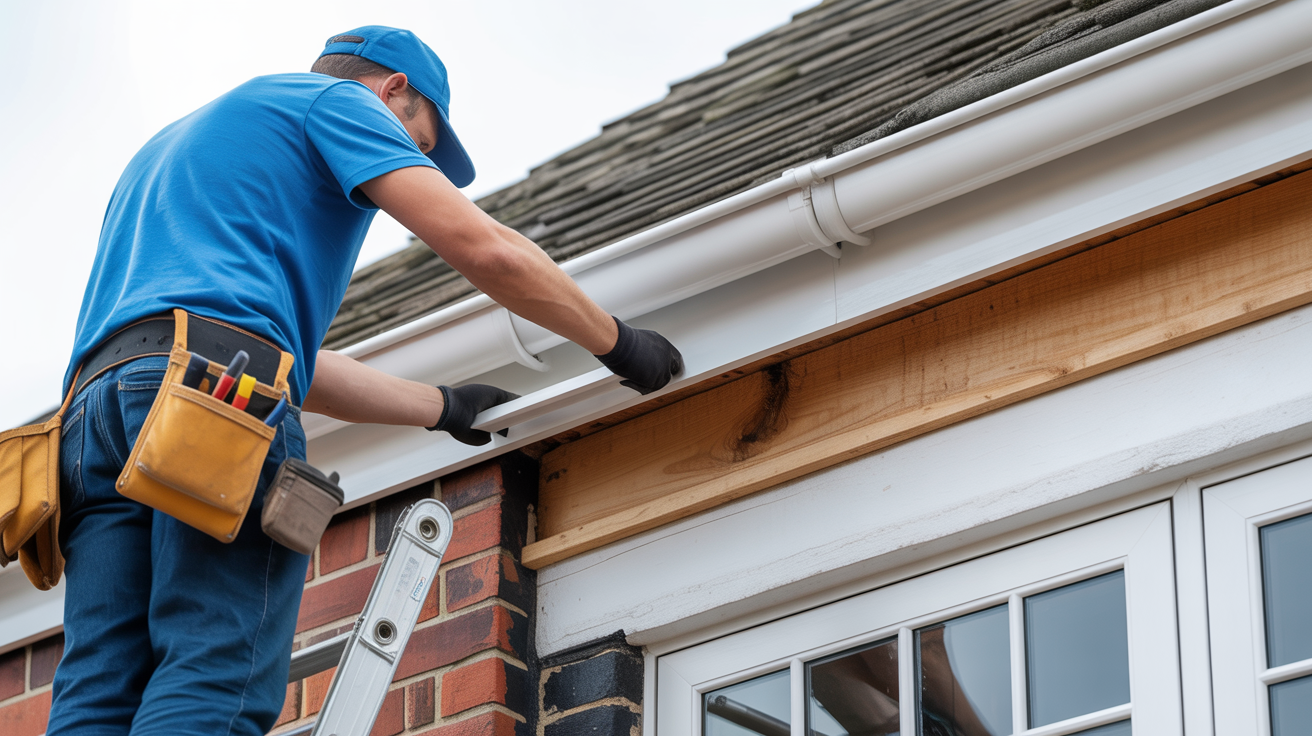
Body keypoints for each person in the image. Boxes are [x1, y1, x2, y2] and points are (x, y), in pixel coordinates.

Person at [48, 26, 682, 736]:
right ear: (393, 91)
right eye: (420, 141)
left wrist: (443, 406)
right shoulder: (336, 104)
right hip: (214, 396)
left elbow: (280, 361)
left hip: (93, 420)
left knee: (99, 691)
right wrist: (618, 342)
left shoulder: (167, 155)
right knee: (212, 668)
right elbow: (486, 250)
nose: (416, 160)